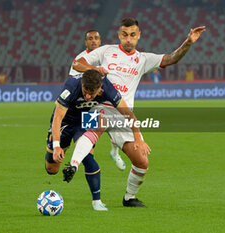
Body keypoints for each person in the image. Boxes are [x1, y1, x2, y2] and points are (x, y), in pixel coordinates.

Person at [70, 17, 205, 207]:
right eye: (124, 35)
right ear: (119, 35)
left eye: (132, 35)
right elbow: (78, 62)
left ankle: (129, 198)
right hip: (99, 105)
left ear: (138, 36)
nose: (128, 39)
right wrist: (96, 70)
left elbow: (171, 58)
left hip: (124, 115)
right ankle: (74, 165)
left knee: (142, 162)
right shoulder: (106, 51)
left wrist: (188, 43)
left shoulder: (143, 59)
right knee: (94, 128)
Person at [45, 69, 148, 211]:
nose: (87, 96)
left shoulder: (107, 87)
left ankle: (96, 200)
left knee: (99, 127)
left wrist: (137, 138)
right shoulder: (71, 85)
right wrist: (56, 145)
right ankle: (69, 156)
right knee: (51, 168)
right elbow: (58, 117)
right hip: (65, 122)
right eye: (85, 91)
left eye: (91, 93)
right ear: (82, 84)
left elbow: (127, 113)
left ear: (99, 88)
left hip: (84, 120)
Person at [69, 29, 126, 171]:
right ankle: (90, 169)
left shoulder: (106, 55)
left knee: (120, 118)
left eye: (96, 38)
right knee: (90, 145)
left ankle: (114, 151)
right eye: (90, 38)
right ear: (85, 42)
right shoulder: (81, 58)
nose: (93, 41)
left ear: (100, 41)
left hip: (106, 99)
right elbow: (73, 81)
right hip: (89, 104)